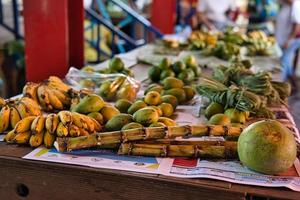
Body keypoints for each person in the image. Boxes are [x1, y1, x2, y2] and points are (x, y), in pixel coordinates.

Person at [275, 0, 300, 91]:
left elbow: (297, 25)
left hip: (292, 40)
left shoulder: (296, 5)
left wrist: (289, 40)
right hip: (285, 40)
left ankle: (281, 88)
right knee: (287, 64)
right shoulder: (287, 5)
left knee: (283, 62)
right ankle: (294, 85)